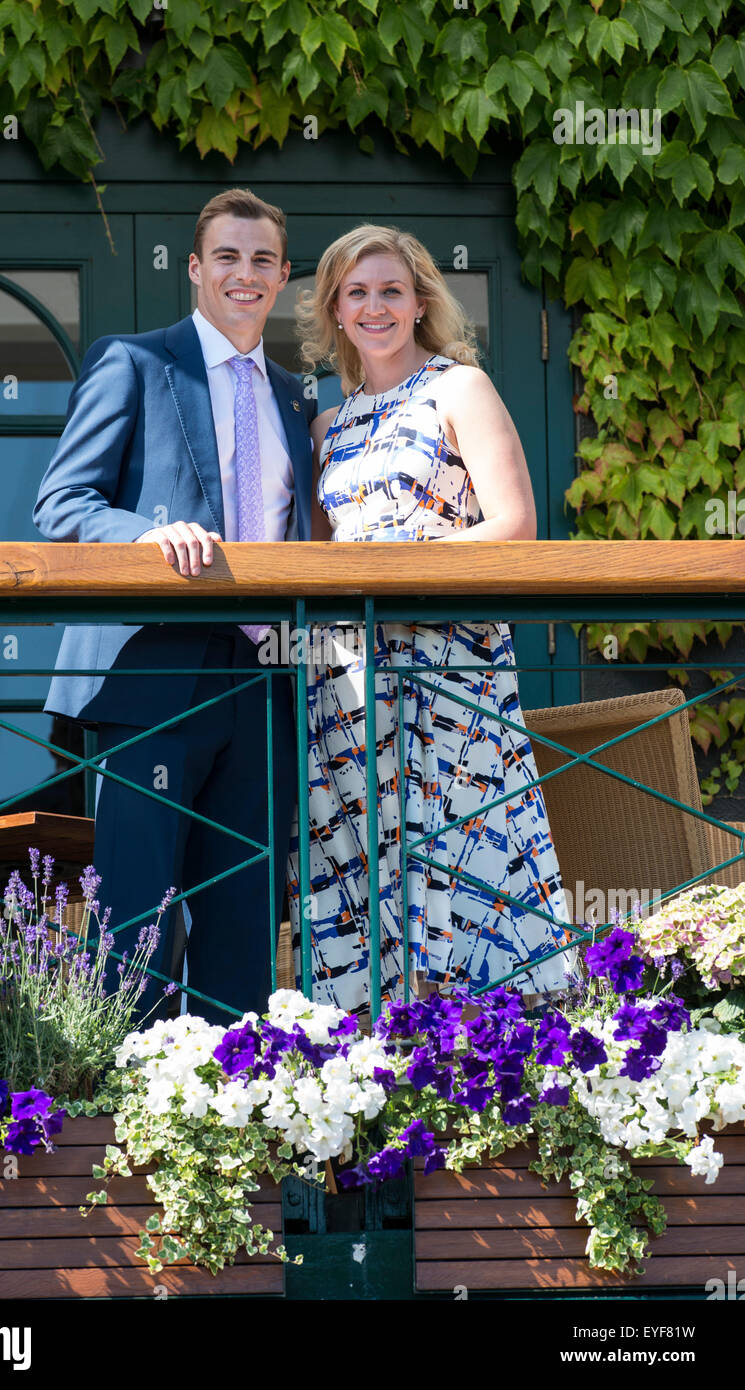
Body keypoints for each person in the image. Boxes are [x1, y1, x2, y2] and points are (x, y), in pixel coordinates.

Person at [33, 189, 314, 1025]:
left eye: (261, 259)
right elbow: (62, 504)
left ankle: (230, 1129)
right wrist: (147, 536)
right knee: (134, 928)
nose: (244, 272)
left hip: (266, 684)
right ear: (195, 269)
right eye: (226, 256)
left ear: (283, 276)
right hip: (150, 677)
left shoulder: (299, 398)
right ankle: (127, 1126)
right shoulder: (132, 361)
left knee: (246, 922)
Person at [287, 224, 574, 1015]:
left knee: (462, 848)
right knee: (357, 860)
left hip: (449, 659)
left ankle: (497, 1047)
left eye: (390, 290)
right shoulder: (326, 427)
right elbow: (319, 557)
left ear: (419, 302)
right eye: (356, 293)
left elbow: (515, 528)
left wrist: (406, 560)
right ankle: (364, 1056)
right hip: (345, 681)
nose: (374, 306)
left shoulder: (460, 388)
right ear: (335, 313)